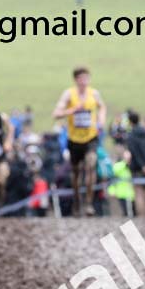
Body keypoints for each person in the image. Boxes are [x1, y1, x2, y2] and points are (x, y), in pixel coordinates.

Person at [52, 67, 107, 216]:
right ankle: (77, 202)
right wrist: (71, 110)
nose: (84, 81)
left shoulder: (93, 94)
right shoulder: (69, 94)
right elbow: (56, 114)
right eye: (81, 78)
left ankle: (89, 203)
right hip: (74, 139)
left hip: (91, 137)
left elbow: (102, 107)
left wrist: (101, 121)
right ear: (76, 80)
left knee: (90, 165)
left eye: (87, 78)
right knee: (76, 174)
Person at [126, 111, 145, 217]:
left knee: (138, 193)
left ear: (130, 122)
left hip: (137, 168)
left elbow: (134, 153)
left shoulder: (131, 136)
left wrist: (142, 166)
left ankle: (141, 217)